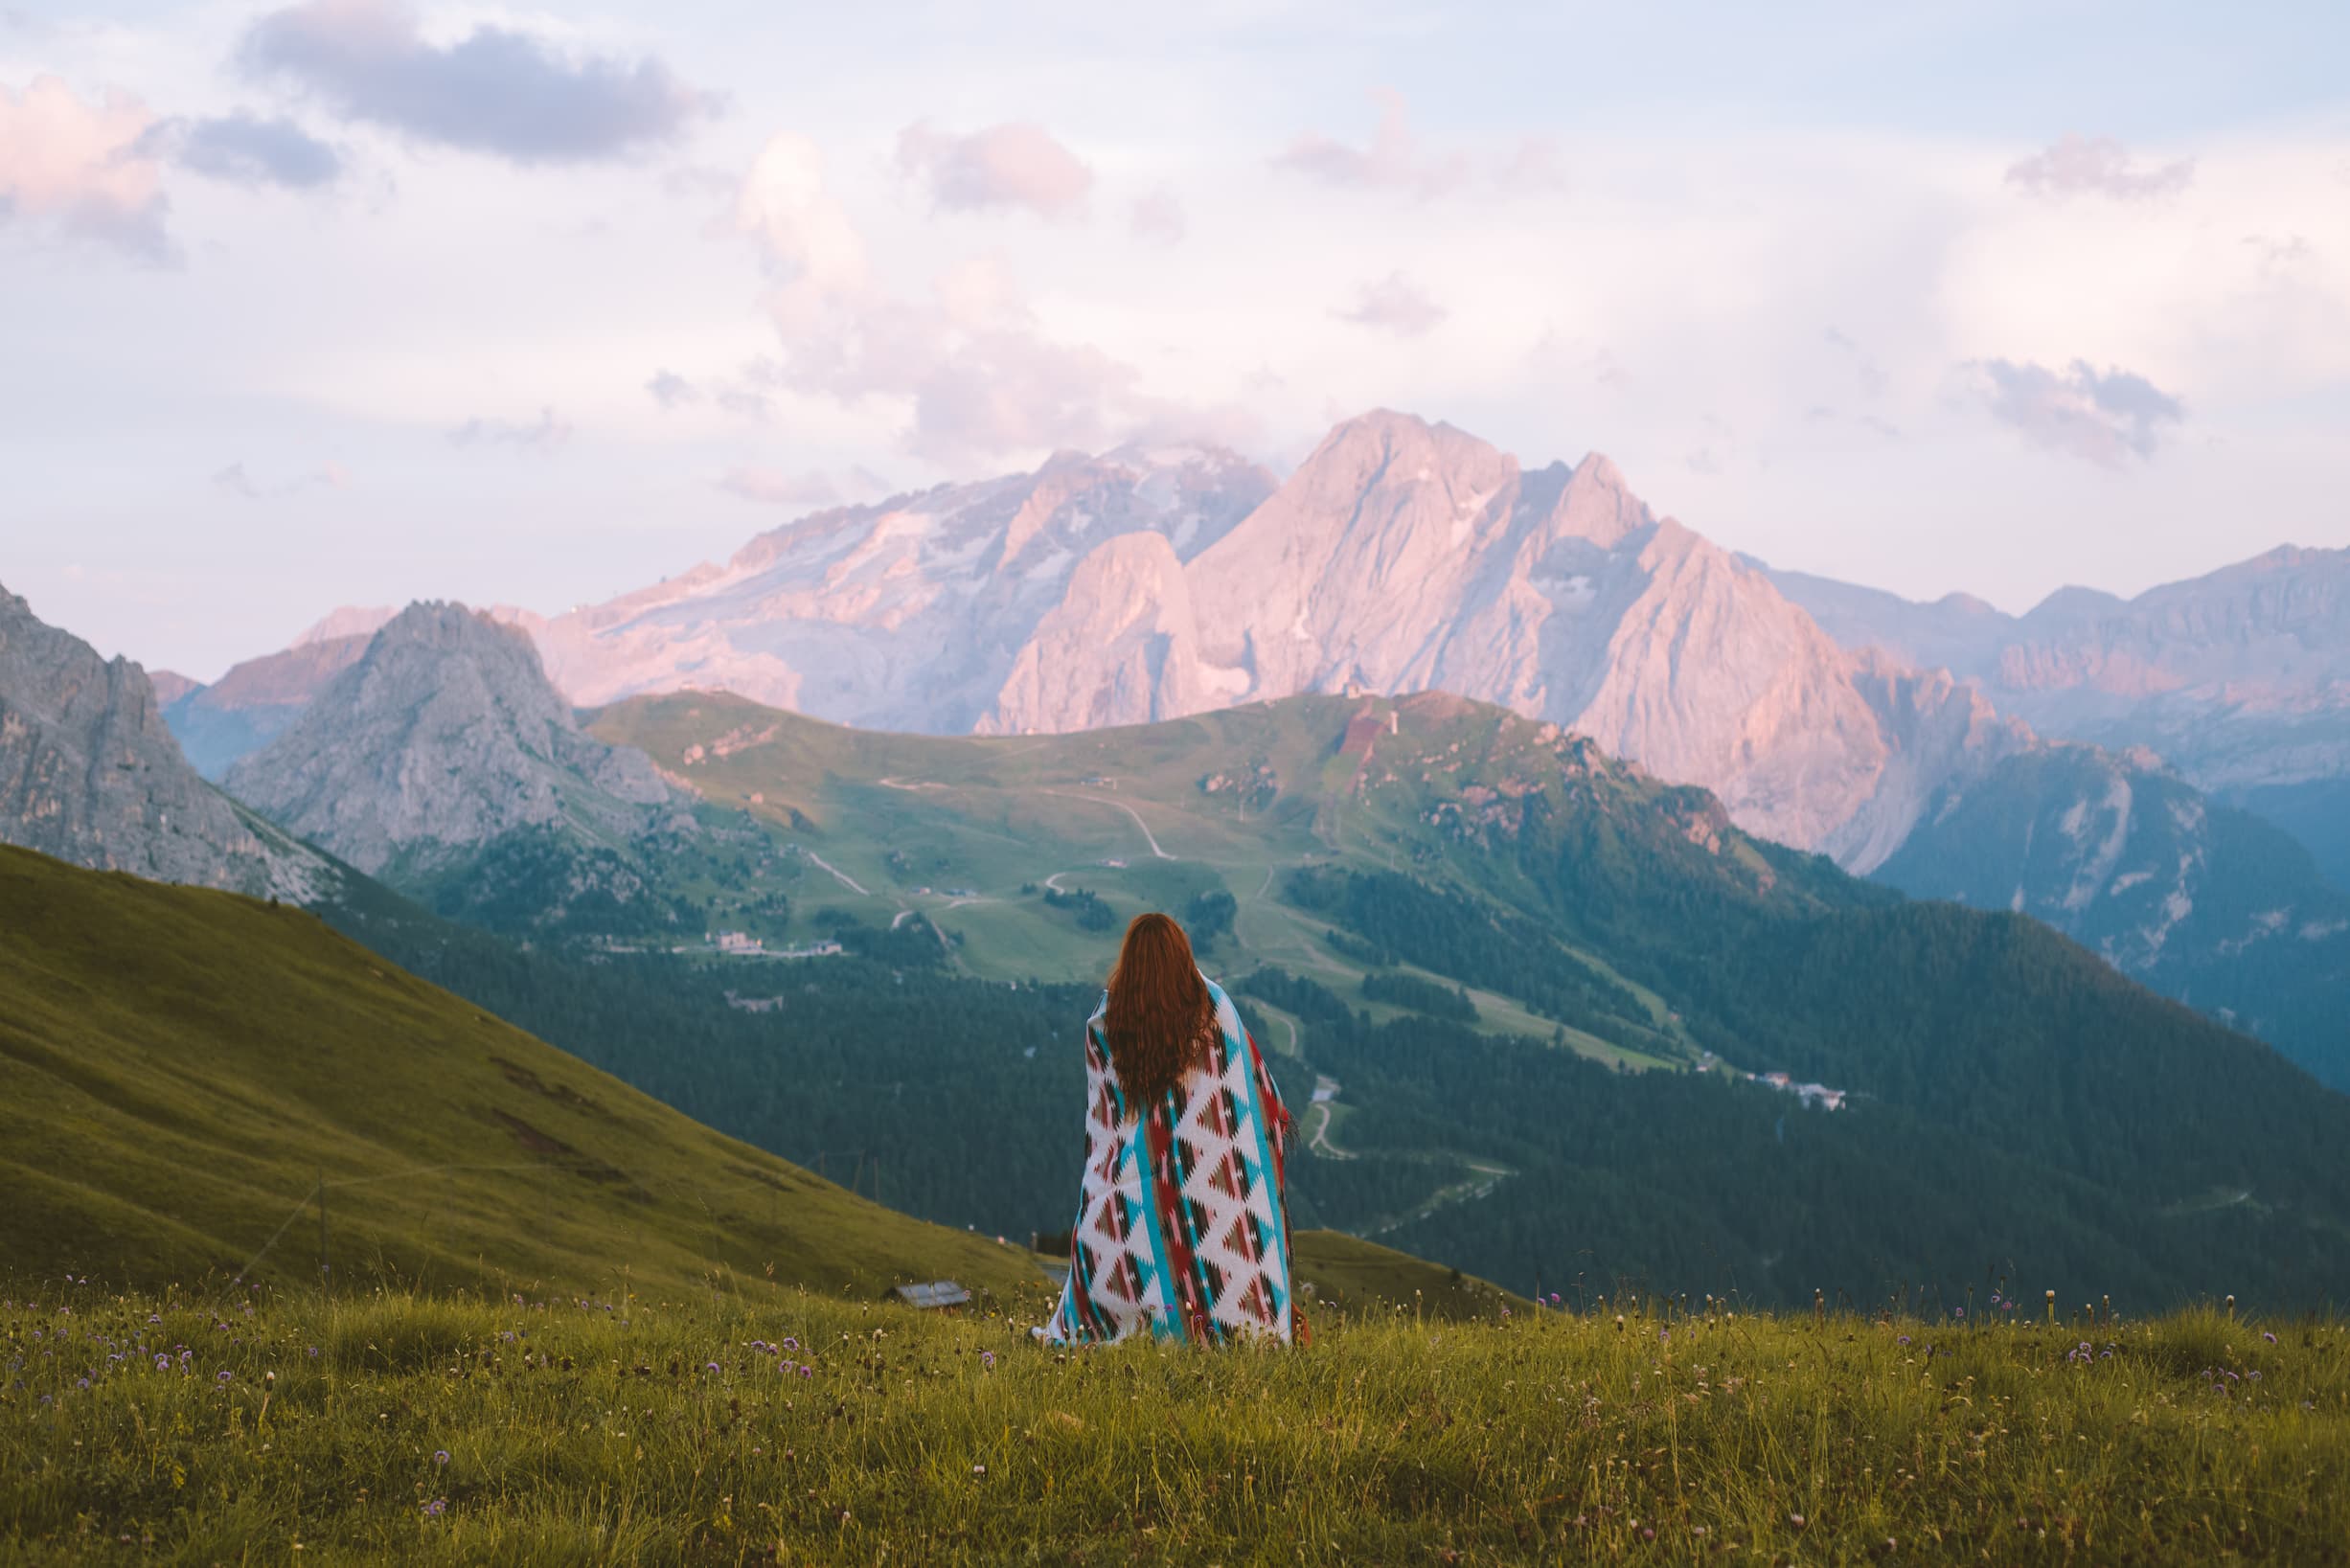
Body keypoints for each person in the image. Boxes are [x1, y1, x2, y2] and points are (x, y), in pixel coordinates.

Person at [1042, 911, 1306, 1346]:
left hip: (1125, 1194)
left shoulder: (1108, 1020)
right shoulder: (1213, 1008)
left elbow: (1105, 1125)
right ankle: (1222, 1319)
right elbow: (1252, 1093)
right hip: (1208, 1184)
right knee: (1228, 1238)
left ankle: (1135, 1314)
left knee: (1112, 1235)